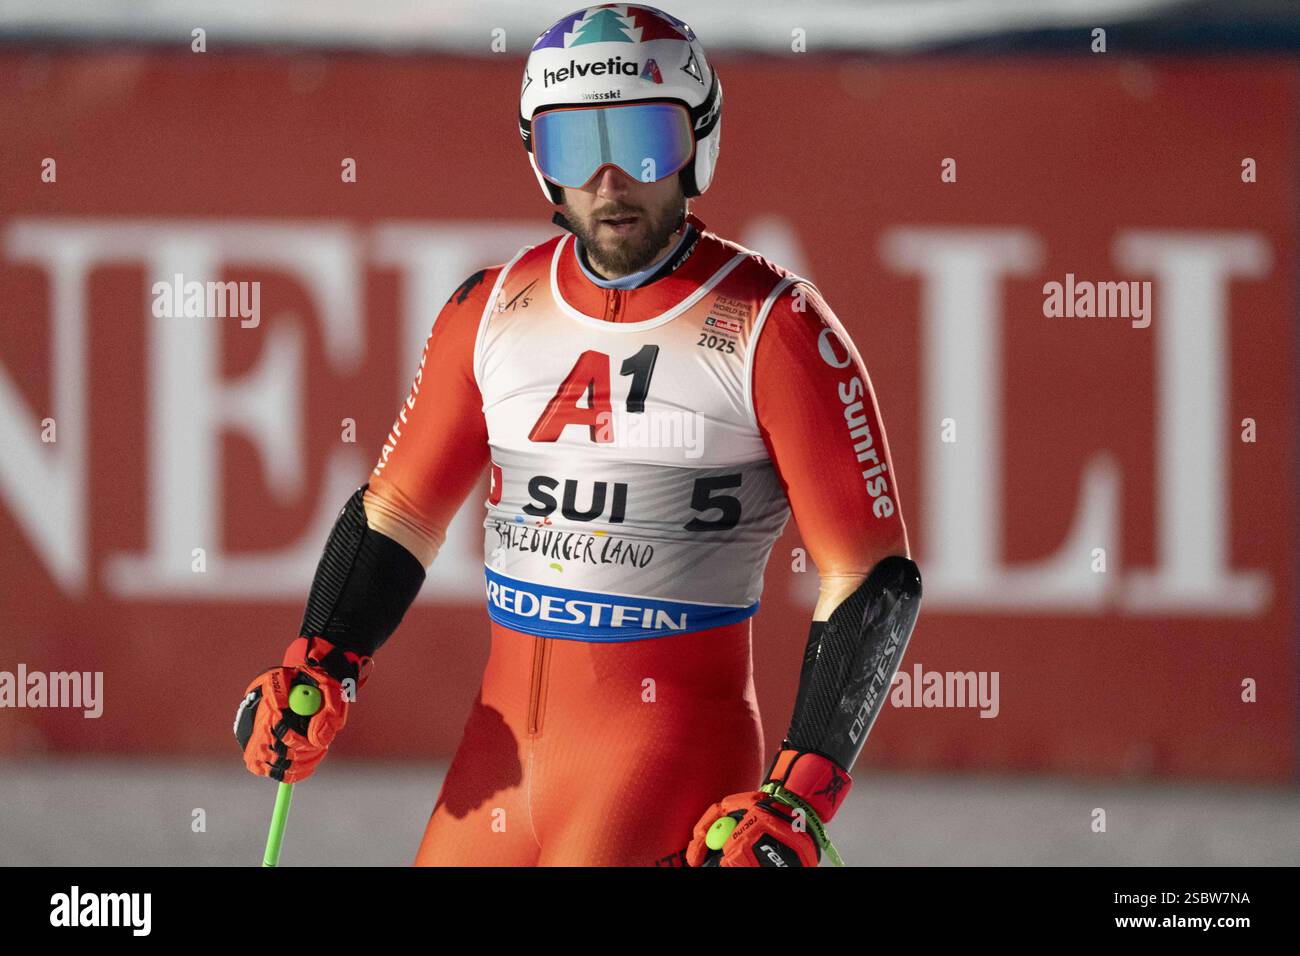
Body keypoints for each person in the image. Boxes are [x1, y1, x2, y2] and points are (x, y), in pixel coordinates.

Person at [234, 3, 922, 867]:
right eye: (573, 148)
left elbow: (873, 575)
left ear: (697, 143)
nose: (607, 180)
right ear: (539, 162)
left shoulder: (774, 326)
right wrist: (323, 657)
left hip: (663, 762)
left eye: (639, 142)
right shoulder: (489, 309)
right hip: (498, 762)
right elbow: (398, 513)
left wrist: (800, 793)